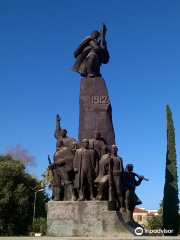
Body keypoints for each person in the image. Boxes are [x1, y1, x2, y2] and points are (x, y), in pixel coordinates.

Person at [95, 145, 125, 211]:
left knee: (119, 191)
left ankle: (121, 206)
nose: (114, 150)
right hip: (109, 175)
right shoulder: (108, 157)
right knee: (103, 182)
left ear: (117, 150)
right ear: (111, 150)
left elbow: (121, 169)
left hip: (117, 176)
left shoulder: (119, 158)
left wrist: (118, 172)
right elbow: (104, 166)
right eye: (113, 149)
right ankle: (100, 196)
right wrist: (107, 162)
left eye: (115, 149)